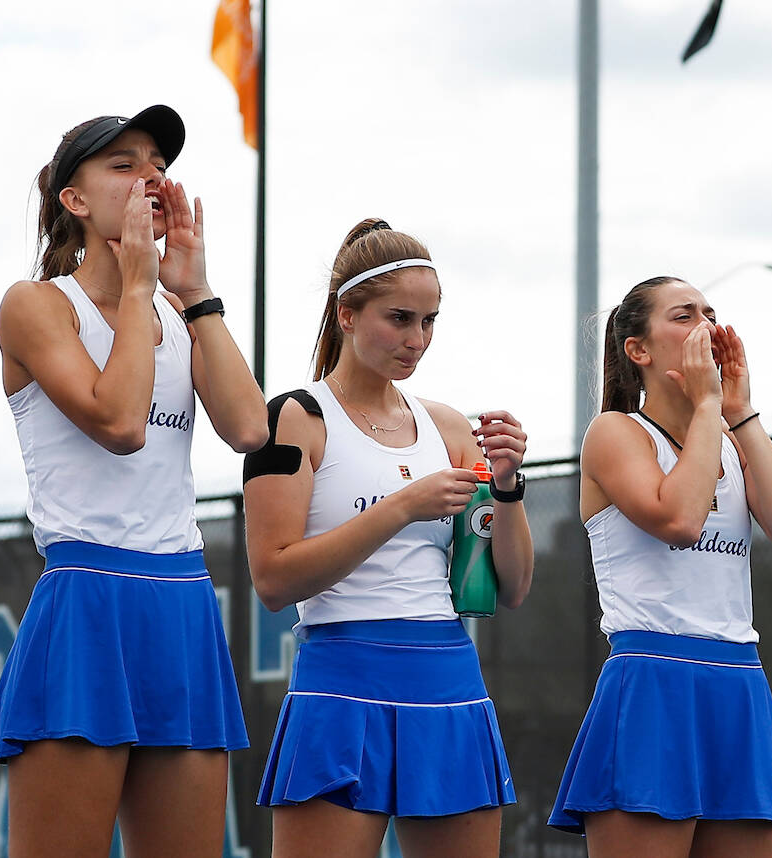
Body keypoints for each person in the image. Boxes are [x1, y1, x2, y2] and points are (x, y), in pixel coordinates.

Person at [0, 105, 268, 857]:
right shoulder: (38, 304)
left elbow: (250, 430)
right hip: (86, 597)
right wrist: (142, 289)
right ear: (72, 201)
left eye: (159, 164)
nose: (150, 177)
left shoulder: (179, 310)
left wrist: (197, 291)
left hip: (181, 598)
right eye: (123, 164)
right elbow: (119, 425)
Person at [243, 219, 534, 856]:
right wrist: (401, 507)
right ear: (346, 313)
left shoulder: (448, 424)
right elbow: (273, 578)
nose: (417, 339)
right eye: (400, 318)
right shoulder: (297, 417)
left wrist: (509, 491)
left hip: (449, 679)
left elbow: (509, 587)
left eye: (429, 321)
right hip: (341, 680)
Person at [550, 276, 772, 858]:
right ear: (638, 350)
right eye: (683, 315)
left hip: (739, 679)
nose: (704, 324)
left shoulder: (729, 432)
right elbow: (679, 518)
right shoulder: (616, 432)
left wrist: (738, 409)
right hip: (652, 678)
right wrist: (706, 407)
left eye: (709, 312)